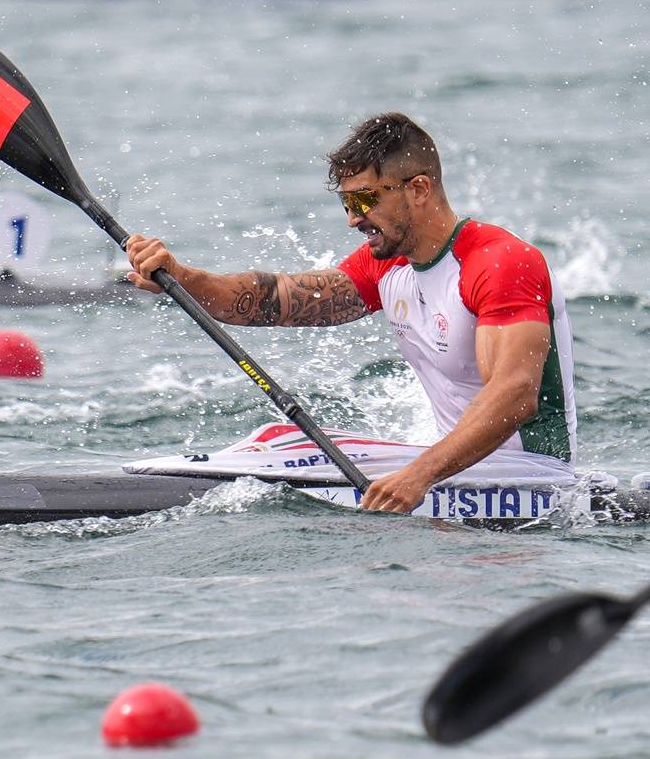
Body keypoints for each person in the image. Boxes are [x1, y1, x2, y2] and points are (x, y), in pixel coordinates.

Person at [125, 113, 575, 513]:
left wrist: (418, 475)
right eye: (346, 204)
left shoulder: (498, 262)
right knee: (278, 440)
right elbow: (273, 299)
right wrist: (183, 277)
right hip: (452, 470)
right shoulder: (388, 266)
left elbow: (514, 396)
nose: (352, 219)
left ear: (419, 189)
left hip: (527, 476)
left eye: (363, 201)